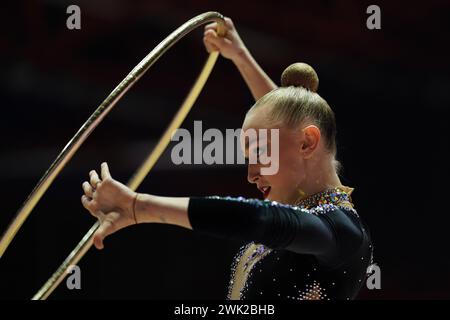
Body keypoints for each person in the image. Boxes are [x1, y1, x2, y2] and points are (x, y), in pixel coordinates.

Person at [81, 17, 373, 300]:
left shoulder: (341, 232)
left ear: (308, 143)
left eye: (259, 153)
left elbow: (261, 218)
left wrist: (139, 206)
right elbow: (287, 127)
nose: (251, 174)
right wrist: (240, 56)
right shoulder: (307, 199)